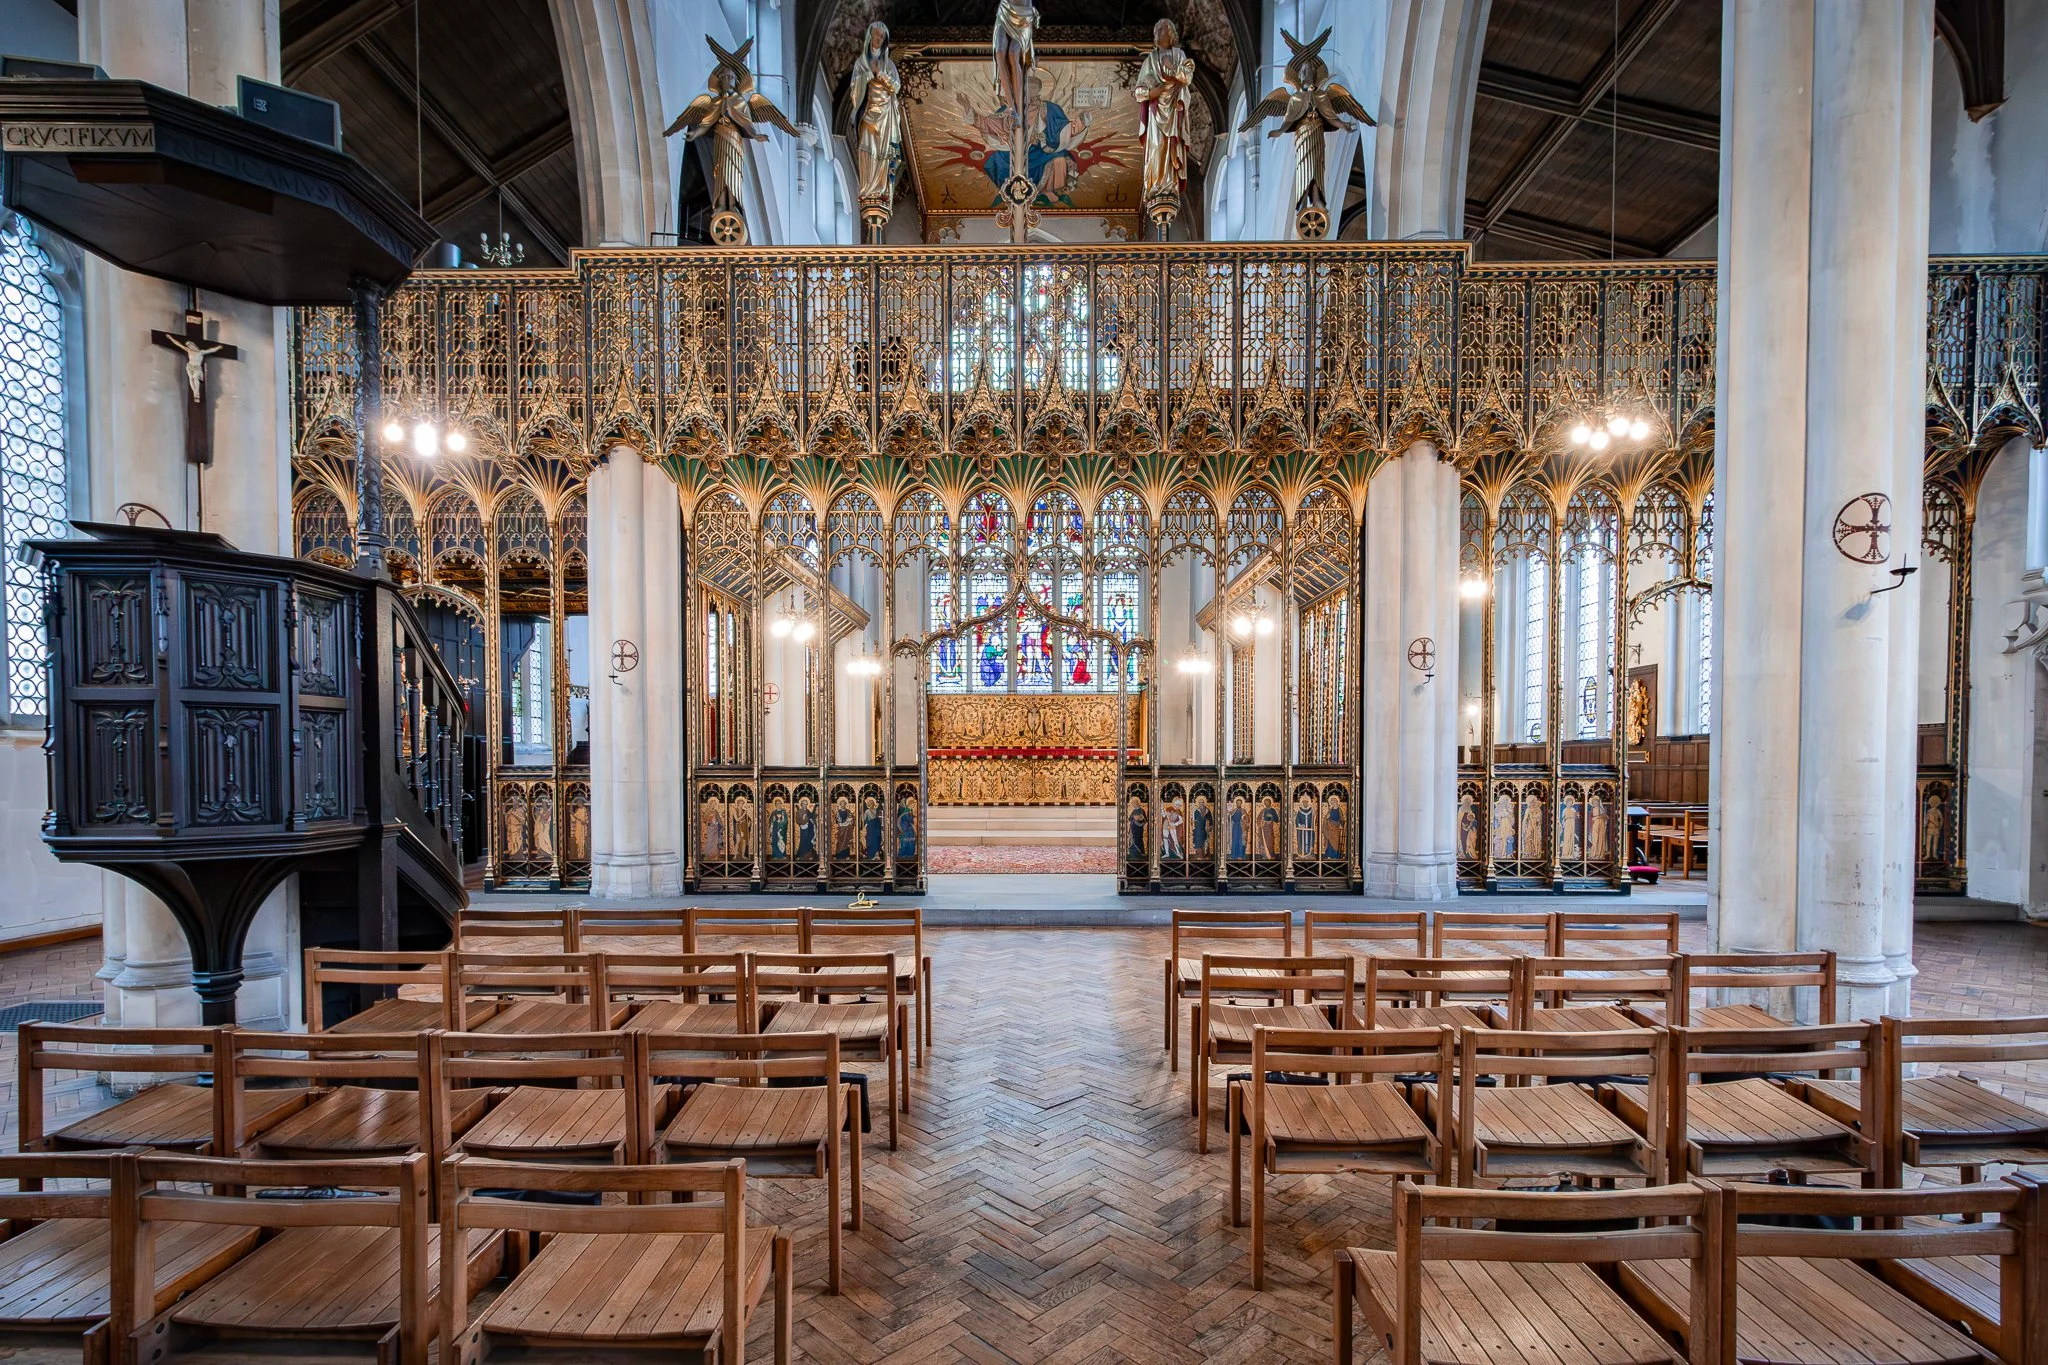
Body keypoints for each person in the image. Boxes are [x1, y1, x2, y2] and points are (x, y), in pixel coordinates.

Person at [1133, 18, 1192, 213]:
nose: (1158, 34)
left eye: (1163, 30)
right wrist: (1151, 94)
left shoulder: (1179, 55)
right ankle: (1156, 186)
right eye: (1157, 31)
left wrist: (1174, 70)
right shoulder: (1150, 60)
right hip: (1156, 110)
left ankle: (1170, 186)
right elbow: (1138, 91)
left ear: (1171, 34)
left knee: (1171, 148)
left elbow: (1186, 77)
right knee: (1157, 147)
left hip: (1174, 108)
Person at [846, 22, 903, 208]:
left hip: (885, 114)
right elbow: (855, 89)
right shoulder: (861, 63)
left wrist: (881, 75)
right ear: (870, 36)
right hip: (868, 112)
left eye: (881, 37)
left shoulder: (889, 65)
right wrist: (867, 76)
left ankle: (880, 189)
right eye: (876, 35)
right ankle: (868, 189)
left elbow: (896, 87)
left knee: (883, 152)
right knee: (866, 147)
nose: (878, 39)